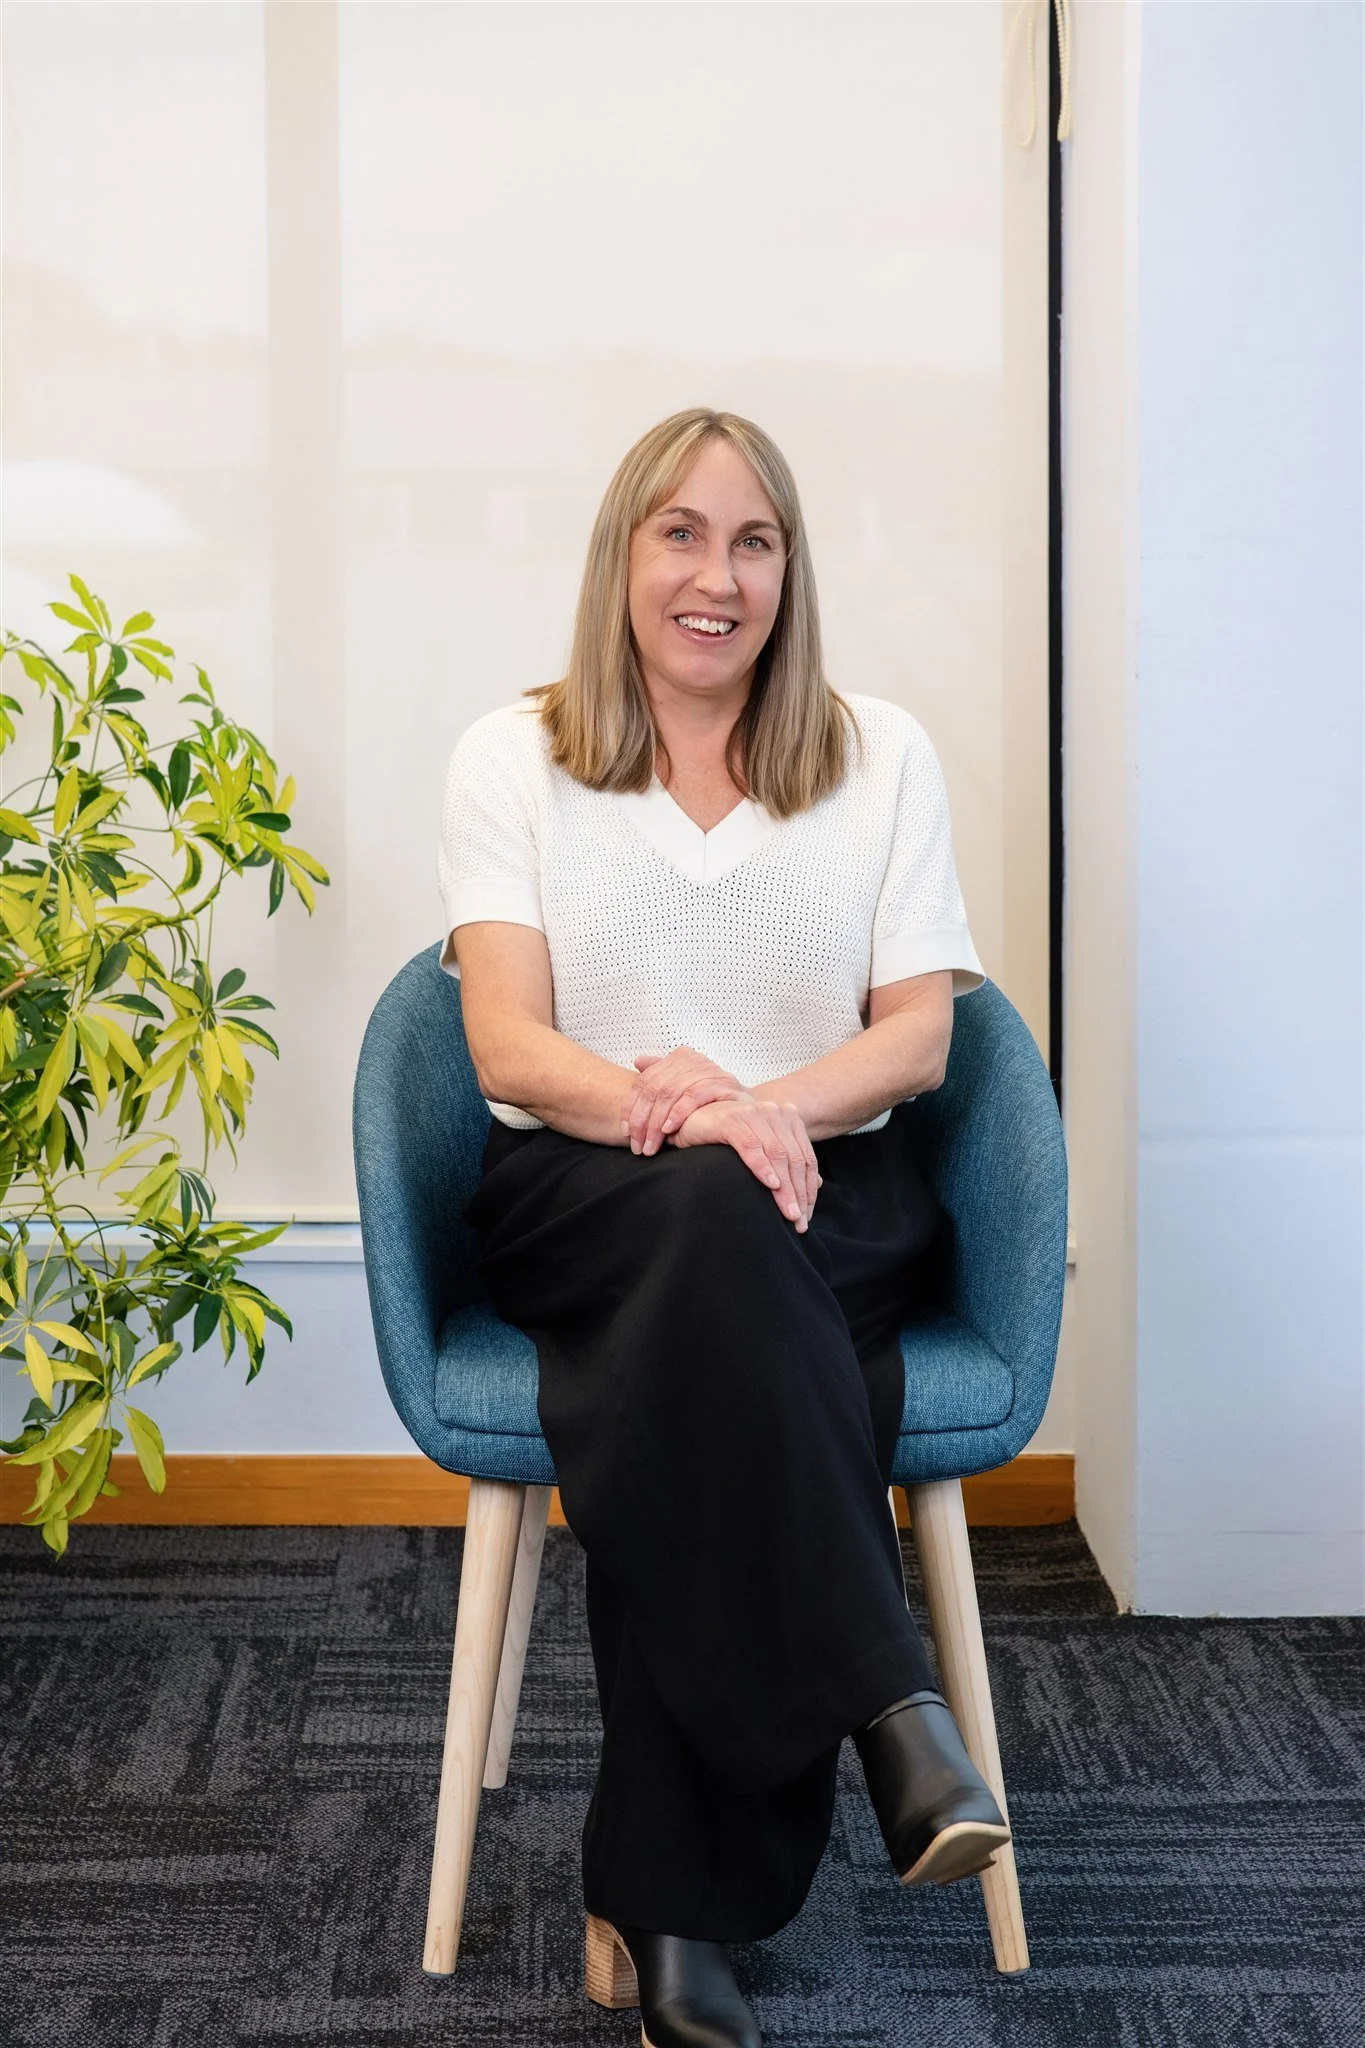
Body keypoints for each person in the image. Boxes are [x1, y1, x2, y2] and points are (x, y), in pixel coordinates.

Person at [439, 408, 1009, 2048]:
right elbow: (502, 1045)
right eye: (680, 534)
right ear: (625, 558)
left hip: (833, 1198)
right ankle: (890, 1702)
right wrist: (695, 1113)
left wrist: (769, 1114)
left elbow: (920, 1037)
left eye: (754, 540)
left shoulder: (879, 753)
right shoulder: (515, 754)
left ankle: (674, 1912)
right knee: (697, 1245)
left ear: (791, 569)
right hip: (585, 1194)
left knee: (687, 1368)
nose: (718, 574)